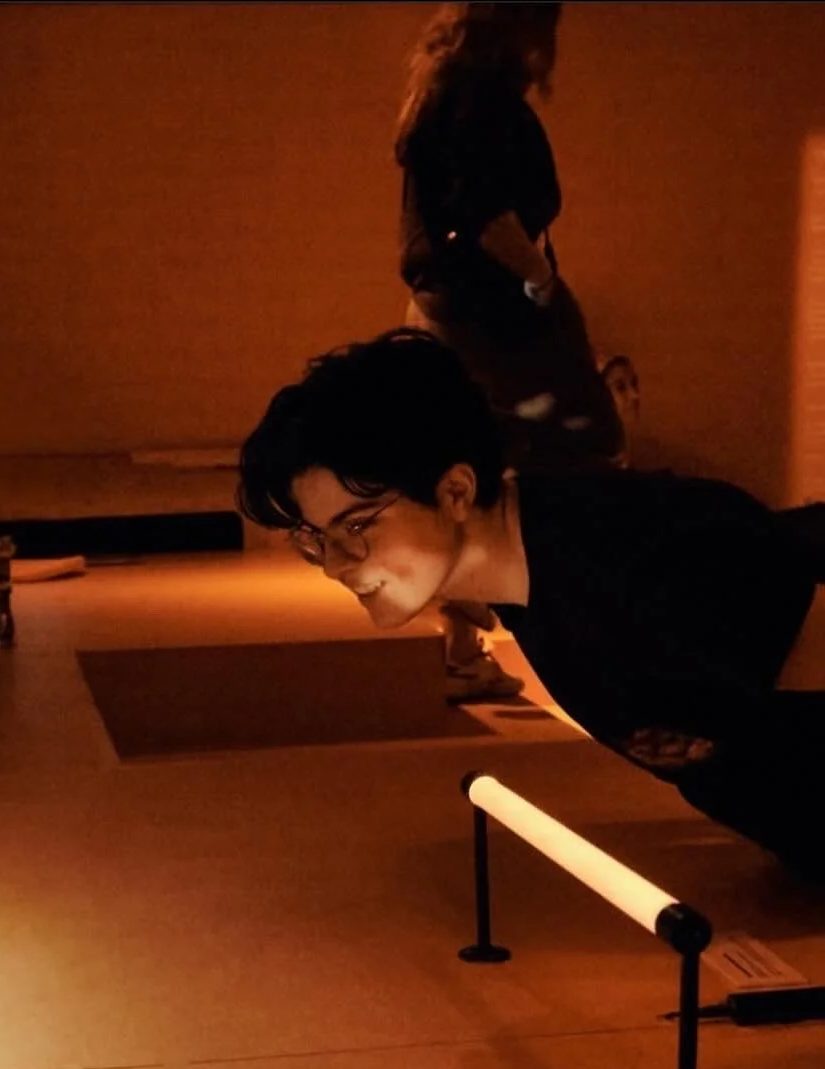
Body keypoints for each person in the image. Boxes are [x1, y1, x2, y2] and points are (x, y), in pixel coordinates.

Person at [236, 330, 825, 879]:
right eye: (316, 540)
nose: (338, 564)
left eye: (357, 525)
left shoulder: (636, 561)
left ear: (456, 490)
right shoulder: (537, 573)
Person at [395, 1, 625, 701]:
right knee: (584, 448)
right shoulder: (488, 108)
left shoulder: (434, 100)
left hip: (445, 307)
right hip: (497, 316)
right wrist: (540, 281)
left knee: (478, 464)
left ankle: (466, 643)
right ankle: (589, 632)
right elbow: (494, 218)